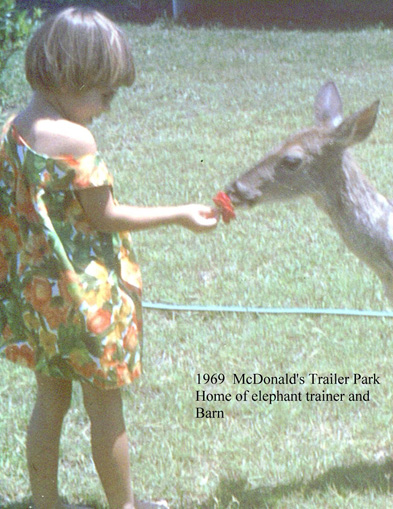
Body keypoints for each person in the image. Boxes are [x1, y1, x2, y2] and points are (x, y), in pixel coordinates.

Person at [0, 7, 218, 508]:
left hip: (40, 297)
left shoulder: (15, 127)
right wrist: (180, 213)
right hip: (86, 300)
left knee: (49, 400)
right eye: (104, 93)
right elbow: (106, 216)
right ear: (73, 75)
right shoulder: (76, 140)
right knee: (106, 411)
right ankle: (125, 506)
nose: (107, 107)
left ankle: (46, 502)